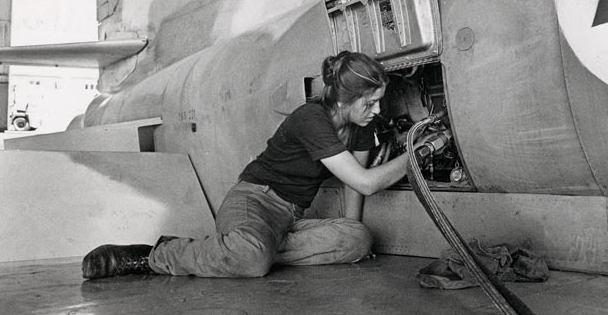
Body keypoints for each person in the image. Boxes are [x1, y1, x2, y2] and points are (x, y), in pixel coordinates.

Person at [82, 51, 420, 279]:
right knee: (255, 261)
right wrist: (416, 156)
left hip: (288, 218)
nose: (377, 111)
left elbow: (352, 186)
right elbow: (365, 182)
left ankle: (246, 248)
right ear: (346, 99)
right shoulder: (311, 118)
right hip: (253, 200)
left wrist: (350, 235)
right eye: (371, 102)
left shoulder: (361, 126)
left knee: (360, 240)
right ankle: (156, 256)